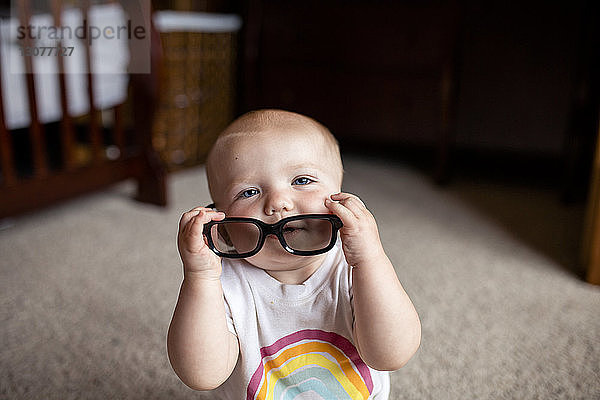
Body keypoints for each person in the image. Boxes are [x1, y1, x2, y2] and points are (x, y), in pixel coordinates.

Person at [168, 109, 421, 399]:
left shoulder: (356, 268)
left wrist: (370, 259)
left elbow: (391, 354)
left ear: (339, 201)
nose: (278, 202)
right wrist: (199, 276)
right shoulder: (221, 283)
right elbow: (201, 375)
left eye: (302, 181)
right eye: (249, 192)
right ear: (223, 228)